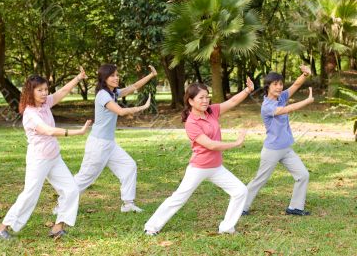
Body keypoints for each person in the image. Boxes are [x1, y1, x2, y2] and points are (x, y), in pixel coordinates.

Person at [144, 79, 254, 235]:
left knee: (240, 191)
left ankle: (227, 227)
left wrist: (248, 90)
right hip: (199, 167)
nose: (205, 100)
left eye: (207, 96)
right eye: (201, 97)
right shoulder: (191, 123)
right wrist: (236, 143)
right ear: (191, 101)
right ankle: (151, 227)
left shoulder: (212, 111)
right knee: (179, 198)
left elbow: (233, 101)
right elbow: (211, 145)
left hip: (216, 167)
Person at [0, 67, 91, 239]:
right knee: (30, 195)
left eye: (46, 89)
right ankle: (2, 228)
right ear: (30, 92)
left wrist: (78, 78)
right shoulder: (30, 114)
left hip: (54, 157)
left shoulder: (45, 104)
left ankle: (57, 228)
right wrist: (78, 132)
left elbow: (62, 92)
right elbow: (48, 130)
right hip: (38, 159)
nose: (44, 93)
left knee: (71, 190)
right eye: (40, 90)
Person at [73, 64, 157, 213]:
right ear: (104, 78)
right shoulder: (103, 95)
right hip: (98, 144)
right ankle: (62, 204)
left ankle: (128, 204)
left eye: (117, 75)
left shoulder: (113, 93)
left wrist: (151, 75)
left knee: (129, 166)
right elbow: (120, 111)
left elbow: (134, 86)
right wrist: (142, 107)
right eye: (112, 75)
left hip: (109, 144)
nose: (116, 78)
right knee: (85, 177)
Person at [242, 65, 313, 216]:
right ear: (268, 87)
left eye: (280, 84)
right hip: (272, 150)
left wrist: (305, 74)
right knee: (260, 180)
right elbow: (286, 110)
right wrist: (306, 102)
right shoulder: (267, 106)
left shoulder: (281, 97)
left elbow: (296, 84)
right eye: (275, 84)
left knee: (303, 175)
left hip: (286, 148)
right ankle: (241, 206)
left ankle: (295, 207)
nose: (279, 87)